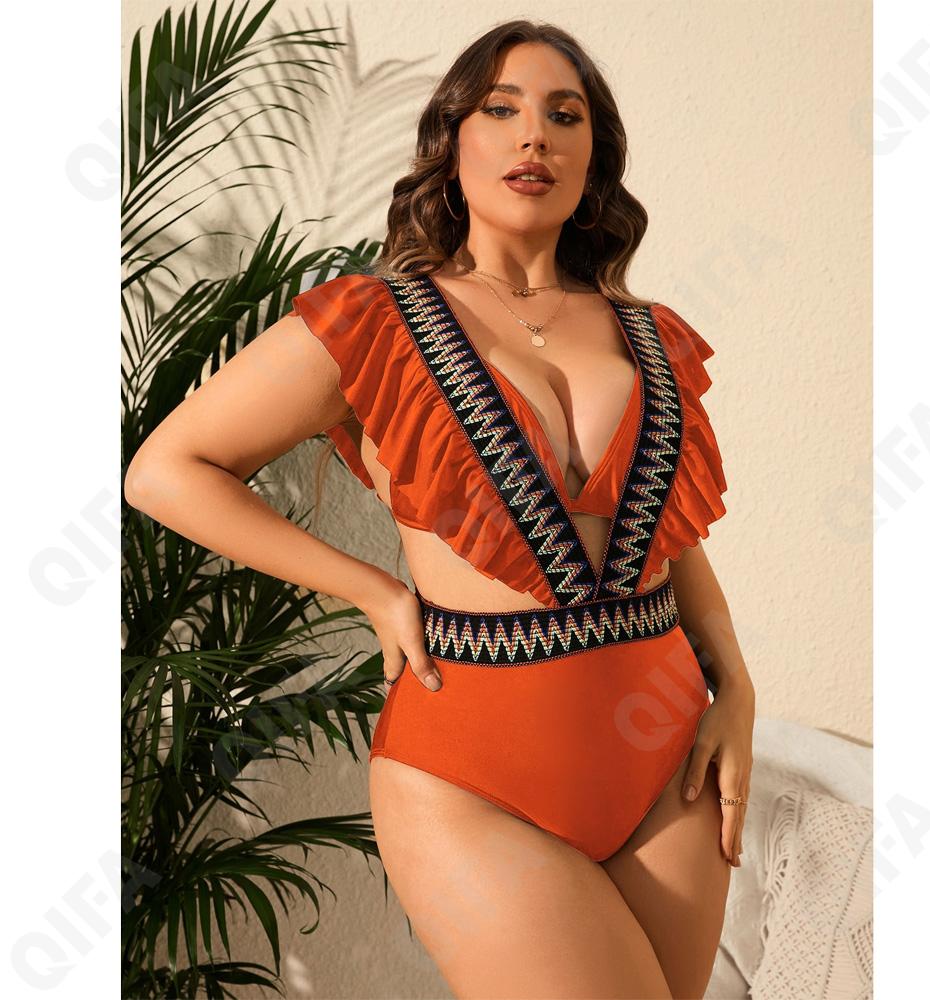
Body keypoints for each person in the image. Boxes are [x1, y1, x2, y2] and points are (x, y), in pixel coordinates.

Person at [125, 20, 756, 1000]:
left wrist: (738, 689)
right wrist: (373, 591)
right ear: (450, 142)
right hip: (474, 779)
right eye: (501, 109)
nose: (533, 135)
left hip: (669, 769)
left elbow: (668, 539)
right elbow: (166, 470)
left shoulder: (653, 334)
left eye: (565, 115)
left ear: (595, 157)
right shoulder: (370, 320)